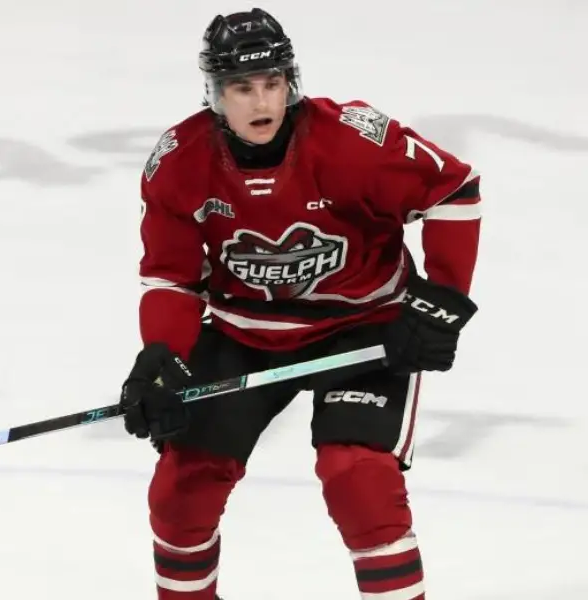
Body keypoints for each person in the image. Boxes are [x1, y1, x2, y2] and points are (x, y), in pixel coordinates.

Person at [119, 8, 482, 599]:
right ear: (215, 94)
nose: (261, 101)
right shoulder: (180, 162)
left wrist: (437, 303)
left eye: (272, 83)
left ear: (292, 82)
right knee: (180, 492)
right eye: (241, 87)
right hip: (244, 332)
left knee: (359, 483)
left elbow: (453, 190)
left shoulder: (350, 141)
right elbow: (170, 277)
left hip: (364, 329)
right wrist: (161, 354)